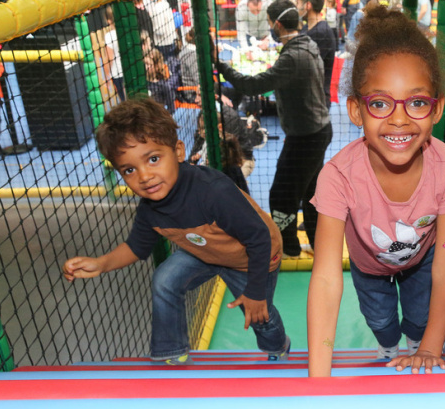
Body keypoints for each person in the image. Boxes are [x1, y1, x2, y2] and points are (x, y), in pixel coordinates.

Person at [307, 5, 445, 377]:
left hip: (423, 262)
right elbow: (327, 277)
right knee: (382, 323)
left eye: (416, 102)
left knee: (418, 320)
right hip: (368, 266)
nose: (399, 118)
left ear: (437, 107)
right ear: (355, 110)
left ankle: (411, 346)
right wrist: (319, 379)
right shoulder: (338, 177)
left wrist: (429, 348)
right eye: (380, 103)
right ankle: (388, 349)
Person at [62, 98, 290, 364]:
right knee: (165, 279)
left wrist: (254, 293)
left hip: (251, 255)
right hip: (206, 250)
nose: (144, 176)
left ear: (179, 152)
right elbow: (136, 247)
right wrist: (102, 263)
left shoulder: (213, 192)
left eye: (154, 159)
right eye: (130, 169)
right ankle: (172, 354)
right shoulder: (151, 208)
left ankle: (278, 348)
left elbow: (259, 237)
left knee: (257, 314)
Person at [216, 0, 332, 258]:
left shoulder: (293, 56)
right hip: (317, 131)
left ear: (276, 23)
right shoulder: (307, 44)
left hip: (306, 137)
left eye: (270, 23)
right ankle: (316, 243)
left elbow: (251, 86)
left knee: (281, 195)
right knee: (311, 191)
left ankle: (289, 248)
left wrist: (221, 66)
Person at [298, 0, 336, 109]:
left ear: (307, 5)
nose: (297, 7)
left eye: (298, 2)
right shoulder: (306, 28)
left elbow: (304, 66)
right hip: (306, 96)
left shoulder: (321, 32)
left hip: (317, 101)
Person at [104, 7, 125, 101]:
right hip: (128, 70)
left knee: (125, 99)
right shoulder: (125, 30)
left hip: (118, 73)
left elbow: (109, 58)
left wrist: (107, 77)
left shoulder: (109, 36)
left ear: (108, 21)